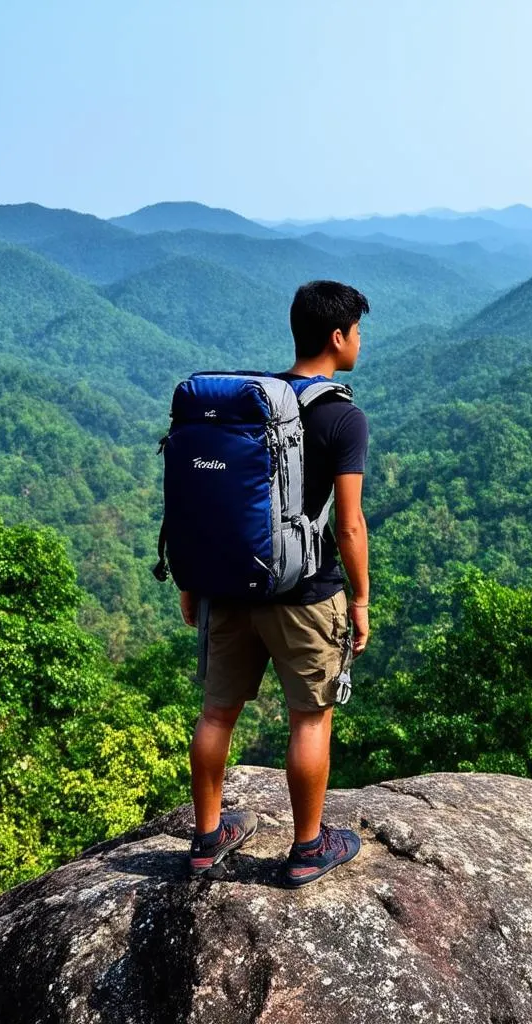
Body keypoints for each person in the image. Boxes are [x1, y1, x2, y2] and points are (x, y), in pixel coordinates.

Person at [181, 280, 371, 886]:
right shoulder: (342, 415)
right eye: (358, 332)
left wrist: (194, 579)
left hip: (230, 584)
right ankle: (308, 847)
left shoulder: (251, 404)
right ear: (338, 337)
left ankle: (208, 838)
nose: (360, 342)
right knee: (310, 718)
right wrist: (362, 599)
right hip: (306, 595)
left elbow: (200, 503)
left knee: (217, 713)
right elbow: (349, 524)